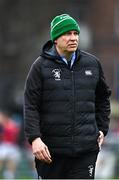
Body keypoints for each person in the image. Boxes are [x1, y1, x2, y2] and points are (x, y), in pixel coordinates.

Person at [24, 14, 111, 179]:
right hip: (50, 153)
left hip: (86, 152)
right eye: (67, 34)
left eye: (75, 33)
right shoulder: (40, 67)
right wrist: (34, 138)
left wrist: (102, 128)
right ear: (55, 39)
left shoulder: (92, 64)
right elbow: (30, 105)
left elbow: (103, 98)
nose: (73, 38)